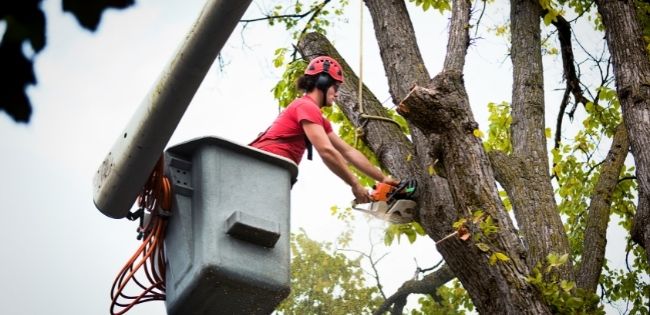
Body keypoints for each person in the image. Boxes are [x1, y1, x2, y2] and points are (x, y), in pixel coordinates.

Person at [250, 56, 398, 203]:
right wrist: (355, 184)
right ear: (323, 82)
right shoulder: (305, 106)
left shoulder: (317, 118)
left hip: (272, 170)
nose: (337, 93)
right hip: (260, 166)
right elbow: (326, 151)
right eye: (336, 87)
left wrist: (383, 179)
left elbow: (348, 152)